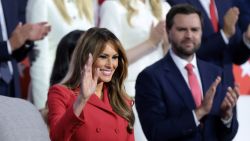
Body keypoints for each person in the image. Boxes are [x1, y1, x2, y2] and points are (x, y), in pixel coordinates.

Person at [135, 4, 239, 141]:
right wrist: (199, 112)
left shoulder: (216, 73)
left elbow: (227, 135)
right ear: (168, 31)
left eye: (195, 30)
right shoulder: (150, 77)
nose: (189, 35)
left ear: (202, 32)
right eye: (182, 29)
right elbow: (155, 133)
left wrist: (227, 116)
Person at [99, 1, 170, 140]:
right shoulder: (113, 6)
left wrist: (167, 45)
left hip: (163, 92)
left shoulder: (164, 7)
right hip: (131, 96)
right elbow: (106, 61)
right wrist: (150, 42)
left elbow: (167, 57)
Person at [47, 27, 135, 141]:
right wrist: (82, 99)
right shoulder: (61, 93)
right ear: (85, 58)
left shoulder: (121, 100)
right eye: (103, 57)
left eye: (114, 57)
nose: (110, 64)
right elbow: (57, 138)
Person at [26, 0, 97, 109]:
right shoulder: (41, 2)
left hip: (83, 92)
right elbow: (39, 59)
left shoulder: (86, 3)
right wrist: (44, 105)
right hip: (55, 90)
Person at [166, 0, 250, 90]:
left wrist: (246, 40)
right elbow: (186, 50)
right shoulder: (177, 2)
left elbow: (236, 56)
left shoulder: (225, 2)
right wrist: (224, 35)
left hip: (227, 93)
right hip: (198, 92)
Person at [0, 0, 51, 97]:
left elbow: (16, 53)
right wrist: (9, 45)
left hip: (11, 85)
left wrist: (26, 40)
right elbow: (11, 44)